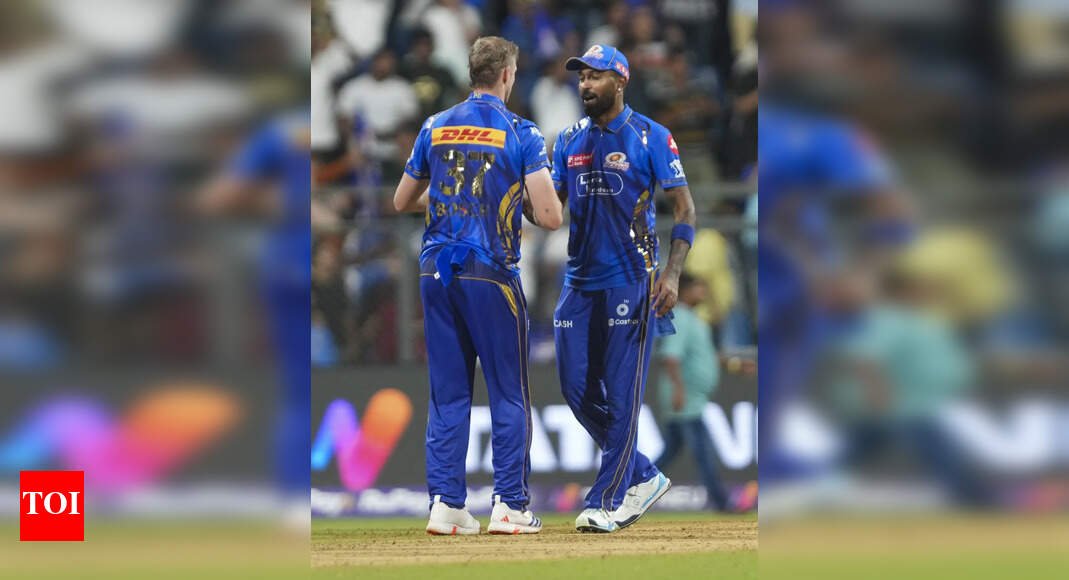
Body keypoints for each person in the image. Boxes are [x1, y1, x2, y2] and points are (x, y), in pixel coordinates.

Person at [393, 36, 563, 535]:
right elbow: (551, 216)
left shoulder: (435, 125)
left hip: (434, 270)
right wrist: (506, 202)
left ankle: (445, 505)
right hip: (490, 271)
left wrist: (457, 201)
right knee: (509, 391)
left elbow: (402, 200)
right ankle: (509, 504)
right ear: (507, 74)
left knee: (448, 395)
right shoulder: (521, 131)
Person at [550, 44, 696, 532]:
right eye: (581, 77)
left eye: (595, 76)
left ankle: (608, 499)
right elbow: (548, 209)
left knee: (621, 395)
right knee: (574, 388)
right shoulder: (567, 139)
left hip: (632, 282)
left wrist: (672, 273)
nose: (585, 85)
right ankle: (645, 475)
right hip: (578, 282)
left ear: (621, 81)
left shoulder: (651, 136)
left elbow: (685, 209)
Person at [653, 273, 731, 511]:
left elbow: (703, 355)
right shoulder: (681, 317)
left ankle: (632, 487)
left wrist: (735, 364)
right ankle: (721, 502)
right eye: (698, 288)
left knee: (670, 452)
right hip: (685, 400)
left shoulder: (692, 318)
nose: (703, 293)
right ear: (684, 291)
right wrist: (678, 390)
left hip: (691, 399)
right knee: (703, 452)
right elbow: (671, 357)